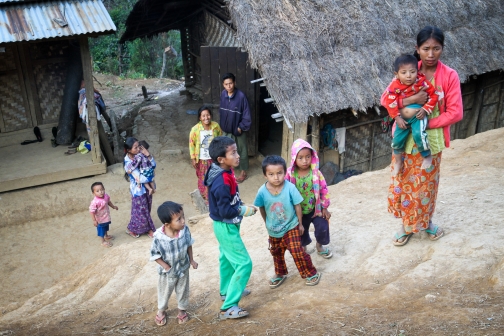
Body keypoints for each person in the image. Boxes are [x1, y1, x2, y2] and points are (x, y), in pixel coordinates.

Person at [380, 26, 463, 246]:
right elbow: (384, 99)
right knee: (405, 181)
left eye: (436, 48)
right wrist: (410, 100)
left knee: (426, 184)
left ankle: (425, 223)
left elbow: (456, 112)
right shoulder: (406, 69)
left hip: (430, 139)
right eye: (426, 48)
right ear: (417, 48)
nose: (431, 54)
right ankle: (406, 226)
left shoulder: (449, 76)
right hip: (405, 138)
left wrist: (426, 124)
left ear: (442, 49)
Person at [203, 136, 257, 319]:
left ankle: (226, 291)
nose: (238, 155)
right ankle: (229, 306)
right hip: (225, 226)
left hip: (223, 227)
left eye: (236, 151)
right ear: (221, 159)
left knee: (226, 260)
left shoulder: (222, 170)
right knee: (244, 263)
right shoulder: (221, 182)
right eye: (233, 153)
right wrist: (243, 210)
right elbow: (226, 210)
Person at [254, 155, 322, 288]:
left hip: (291, 226)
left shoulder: (290, 187)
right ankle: (280, 273)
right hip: (273, 230)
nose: (276, 177)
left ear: (285, 172)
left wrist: (300, 224)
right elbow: (261, 208)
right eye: (271, 174)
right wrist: (267, 223)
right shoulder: (262, 192)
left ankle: (311, 273)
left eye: (280, 173)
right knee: (276, 253)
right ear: (265, 175)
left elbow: (297, 206)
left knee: (297, 250)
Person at [383, 54, 439, 176]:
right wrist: (397, 118)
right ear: (396, 74)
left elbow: (434, 95)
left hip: (418, 116)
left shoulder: (422, 83)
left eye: (412, 72)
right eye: (404, 72)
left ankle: (427, 155)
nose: (408, 75)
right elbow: (390, 102)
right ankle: (398, 162)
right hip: (401, 119)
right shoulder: (394, 87)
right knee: (397, 141)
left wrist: (425, 109)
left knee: (419, 135)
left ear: (417, 71)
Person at [150, 201, 198, 326]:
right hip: (167, 273)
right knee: (164, 291)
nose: (183, 221)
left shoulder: (184, 231)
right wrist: (165, 266)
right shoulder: (159, 238)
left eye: (183, 217)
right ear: (167, 224)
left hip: (183, 268)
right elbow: (154, 255)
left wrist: (191, 260)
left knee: (183, 289)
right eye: (179, 219)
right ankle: (161, 310)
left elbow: (189, 245)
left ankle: (182, 309)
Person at [285, 139, 333, 259]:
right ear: (294, 158)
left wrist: (324, 207)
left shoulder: (316, 173)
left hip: (315, 209)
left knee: (323, 227)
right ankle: (303, 247)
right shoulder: (290, 174)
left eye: (307, 157)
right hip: (298, 212)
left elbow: (323, 190)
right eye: (300, 157)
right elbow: (285, 192)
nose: (305, 160)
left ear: (312, 156)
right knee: (301, 231)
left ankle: (319, 246)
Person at [219, 73, 251, 183]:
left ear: (235, 83)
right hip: (227, 129)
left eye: (231, 83)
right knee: (227, 150)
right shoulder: (223, 94)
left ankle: (243, 172)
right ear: (223, 85)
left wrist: (241, 127)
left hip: (238, 130)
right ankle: (229, 170)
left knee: (241, 150)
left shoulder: (241, 96)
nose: (229, 86)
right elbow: (222, 111)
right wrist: (222, 125)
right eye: (226, 84)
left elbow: (247, 114)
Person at [124, 137, 157, 238]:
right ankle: (132, 229)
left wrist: (149, 155)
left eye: (139, 146)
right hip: (138, 191)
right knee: (140, 212)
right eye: (135, 147)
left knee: (147, 208)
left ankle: (147, 228)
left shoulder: (142, 155)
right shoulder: (128, 163)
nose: (138, 149)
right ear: (129, 150)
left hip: (147, 188)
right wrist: (150, 176)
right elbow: (140, 178)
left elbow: (154, 165)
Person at [189, 105, 222, 201]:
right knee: (202, 177)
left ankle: (214, 194)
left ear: (210, 115)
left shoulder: (215, 126)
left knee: (215, 176)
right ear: (200, 117)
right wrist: (193, 158)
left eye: (207, 115)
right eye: (203, 116)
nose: (206, 118)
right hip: (201, 159)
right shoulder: (195, 129)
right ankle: (205, 196)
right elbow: (191, 144)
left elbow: (220, 139)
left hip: (213, 158)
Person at [89, 182, 118, 248]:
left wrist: (113, 206)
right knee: (101, 229)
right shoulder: (95, 202)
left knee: (106, 227)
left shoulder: (106, 196)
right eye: (97, 191)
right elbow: (91, 211)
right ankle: (102, 241)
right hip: (100, 219)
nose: (100, 192)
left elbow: (108, 202)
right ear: (93, 193)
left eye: (102, 189)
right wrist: (94, 220)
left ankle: (106, 236)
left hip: (106, 217)